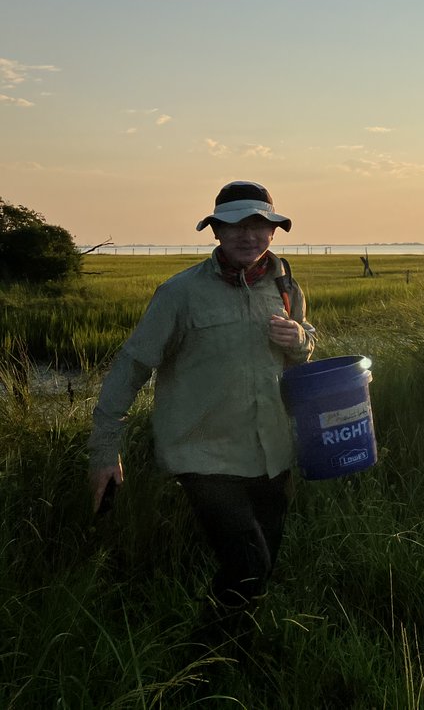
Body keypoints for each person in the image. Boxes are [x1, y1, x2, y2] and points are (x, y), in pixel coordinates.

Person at [88, 181, 315, 617]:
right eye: (235, 225)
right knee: (248, 565)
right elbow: (131, 367)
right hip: (205, 453)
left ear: (273, 231)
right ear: (216, 231)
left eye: (259, 225)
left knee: (262, 566)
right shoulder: (180, 293)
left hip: (273, 451)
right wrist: (104, 450)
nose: (248, 235)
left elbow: (303, 348)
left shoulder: (285, 286)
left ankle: (230, 646)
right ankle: (206, 652)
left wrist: (299, 339)